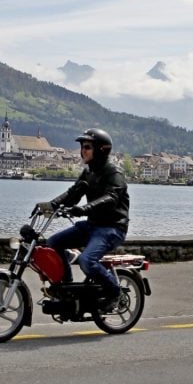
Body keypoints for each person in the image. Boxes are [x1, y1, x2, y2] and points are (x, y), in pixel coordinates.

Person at [36, 127, 130, 306]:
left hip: (112, 228)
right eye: (82, 147)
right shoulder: (89, 172)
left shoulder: (114, 173)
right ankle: (66, 287)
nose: (82, 151)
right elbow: (73, 193)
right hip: (92, 226)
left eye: (87, 147)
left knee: (87, 260)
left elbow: (111, 198)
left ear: (101, 149)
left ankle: (114, 293)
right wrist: (51, 205)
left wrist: (84, 209)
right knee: (53, 243)